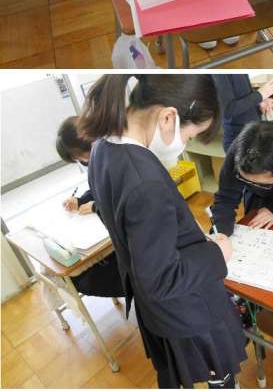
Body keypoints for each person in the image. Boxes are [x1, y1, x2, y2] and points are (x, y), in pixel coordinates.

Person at [78, 74, 247, 389]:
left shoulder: (102, 147)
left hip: (156, 308)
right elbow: (161, 278)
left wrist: (185, 231)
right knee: (216, 370)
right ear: (168, 117)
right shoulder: (144, 181)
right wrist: (216, 253)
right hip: (185, 308)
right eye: (190, 135)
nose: (186, 144)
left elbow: (119, 216)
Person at [55, 116, 124, 298]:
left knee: (81, 280)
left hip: (137, 250)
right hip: (123, 242)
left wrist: (96, 207)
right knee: (77, 275)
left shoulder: (118, 158)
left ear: (91, 144)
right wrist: (80, 200)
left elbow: (127, 205)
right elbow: (99, 187)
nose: (83, 162)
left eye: (80, 157)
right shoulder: (101, 156)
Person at [212, 74, 273, 152]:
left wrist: (260, 99)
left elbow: (240, 91)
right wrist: (259, 95)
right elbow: (228, 110)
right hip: (239, 139)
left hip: (253, 132)